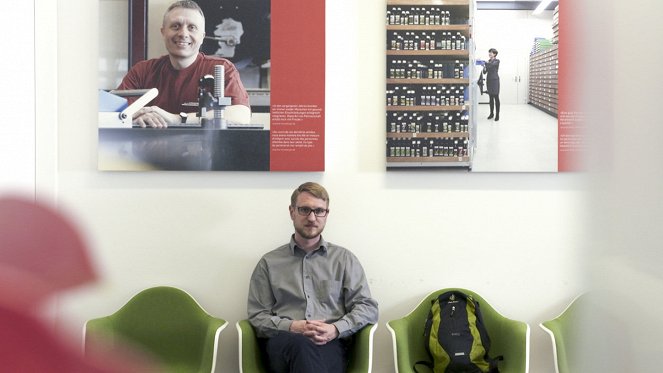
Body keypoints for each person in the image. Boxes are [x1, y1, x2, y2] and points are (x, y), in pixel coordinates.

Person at [247, 182, 379, 373]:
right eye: (304, 209)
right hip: (284, 344)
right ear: (292, 212)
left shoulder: (344, 259)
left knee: (313, 357)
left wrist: (335, 329)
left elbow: (368, 307)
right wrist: (292, 326)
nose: (312, 217)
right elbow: (257, 316)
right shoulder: (268, 263)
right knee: (300, 346)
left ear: (327, 214)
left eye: (319, 211)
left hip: (330, 344)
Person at [117, 0, 251, 128]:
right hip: (150, 150)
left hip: (205, 151)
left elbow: (242, 116)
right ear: (163, 32)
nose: (183, 33)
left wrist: (178, 119)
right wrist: (134, 117)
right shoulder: (142, 71)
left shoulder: (223, 69)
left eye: (192, 27)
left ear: (202, 37)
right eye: (175, 26)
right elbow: (111, 112)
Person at [483, 48, 500, 121]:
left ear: (495, 54)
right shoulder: (488, 61)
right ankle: (491, 113)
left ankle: (497, 115)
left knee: (496, 97)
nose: (489, 54)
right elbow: (484, 72)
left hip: (495, 81)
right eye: (489, 52)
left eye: (491, 53)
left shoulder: (497, 61)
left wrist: (485, 63)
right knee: (490, 98)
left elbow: (492, 65)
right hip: (489, 81)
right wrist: (484, 67)